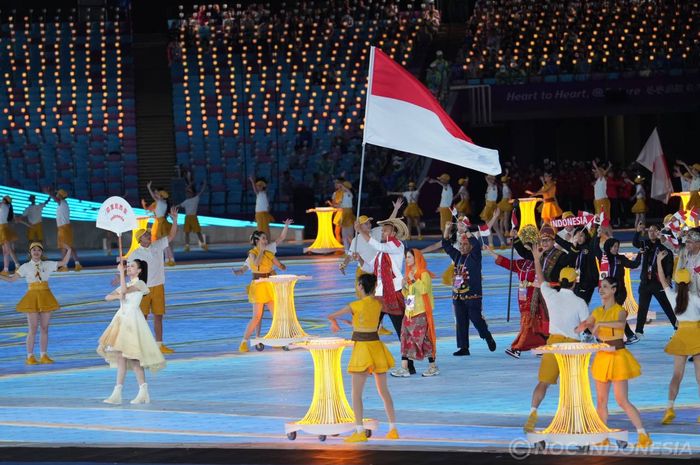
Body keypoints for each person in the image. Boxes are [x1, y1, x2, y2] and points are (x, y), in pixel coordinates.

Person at [575, 277, 652, 448]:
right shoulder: (597, 311)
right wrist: (581, 325)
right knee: (601, 401)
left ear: (614, 290)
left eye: (605, 287)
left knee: (622, 400)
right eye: (600, 287)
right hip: (602, 356)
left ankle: (643, 435)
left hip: (617, 357)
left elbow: (619, 325)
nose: (601, 290)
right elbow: (587, 323)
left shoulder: (620, 310)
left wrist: (600, 323)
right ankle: (602, 435)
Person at [523, 246, 589, 433]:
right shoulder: (579, 302)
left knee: (543, 383)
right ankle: (573, 423)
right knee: (572, 387)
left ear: (559, 281)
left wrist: (537, 259)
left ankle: (533, 413)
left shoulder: (551, 295)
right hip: (572, 347)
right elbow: (585, 325)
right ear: (575, 283)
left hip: (553, 344)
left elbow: (541, 279)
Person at [328, 273, 399, 442]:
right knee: (384, 392)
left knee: (356, 393)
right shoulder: (378, 304)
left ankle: (359, 431)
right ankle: (393, 429)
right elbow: (369, 321)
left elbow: (331, 315)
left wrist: (335, 323)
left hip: (362, 350)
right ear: (374, 287)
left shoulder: (354, 305)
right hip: (376, 347)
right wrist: (353, 324)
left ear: (360, 286)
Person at [98, 258, 166, 405]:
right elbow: (107, 297)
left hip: (132, 321)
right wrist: (118, 296)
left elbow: (124, 290)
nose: (128, 268)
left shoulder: (140, 284)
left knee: (134, 359)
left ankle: (143, 391)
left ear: (139, 270)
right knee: (121, 357)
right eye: (127, 266)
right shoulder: (128, 283)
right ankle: (117, 392)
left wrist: (120, 274)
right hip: (121, 320)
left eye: (132, 266)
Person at [355, 216, 412, 371]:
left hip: (393, 293)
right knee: (370, 330)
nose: (382, 232)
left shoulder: (396, 245)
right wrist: (359, 258)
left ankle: (408, 365)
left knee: (401, 331)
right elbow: (369, 267)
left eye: (385, 229)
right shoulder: (382, 251)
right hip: (379, 295)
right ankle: (371, 363)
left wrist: (360, 230)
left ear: (393, 232)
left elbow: (374, 244)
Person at [0, 242, 71, 364]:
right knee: (32, 328)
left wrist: (69, 249)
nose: (36, 252)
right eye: (34, 250)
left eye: (39, 250)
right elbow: (12, 279)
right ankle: (30, 356)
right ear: (30, 253)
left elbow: (64, 262)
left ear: (42, 252)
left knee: (44, 328)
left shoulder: (48, 264)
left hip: (45, 296)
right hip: (32, 297)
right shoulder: (25, 267)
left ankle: (43, 355)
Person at [656, 251, 700, 425]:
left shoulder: (673, 297)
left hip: (681, 335)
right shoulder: (696, 298)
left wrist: (659, 261)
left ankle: (669, 409)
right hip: (696, 335)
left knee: (676, 375)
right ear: (689, 281)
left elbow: (662, 279)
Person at [129, 206, 180, 354]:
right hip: (143, 289)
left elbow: (171, 236)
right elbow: (130, 272)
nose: (149, 235)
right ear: (139, 239)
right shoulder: (135, 254)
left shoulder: (157, 245)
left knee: (158, 316)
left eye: (149, 233)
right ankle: (141, 346)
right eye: (146, 235)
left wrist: (175, 220)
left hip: (158, 286)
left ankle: (159, 345)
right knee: (142, 318)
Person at [441, 221, 497, 355]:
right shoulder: (457, 256)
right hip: (458, 295)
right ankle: (463, 347)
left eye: (465, 244)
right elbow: (446, 245)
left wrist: (465, 230)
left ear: (470, 246)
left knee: (476, 319)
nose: (462, 246)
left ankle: (487, 336)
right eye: (460, 244)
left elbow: (477, 244)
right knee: (460, 322)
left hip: (473, 295)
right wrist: (447, 229)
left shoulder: (475, 256)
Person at [486, 226, 542, 359]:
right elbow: (507, 263)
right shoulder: (521, 264)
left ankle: (517, 348)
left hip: (535, 299)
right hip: (522, 299)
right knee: (531, 325)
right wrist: (492, 253)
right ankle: (540, 347)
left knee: (528, 324)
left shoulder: (540, 263)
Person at [233, 229, 288, 352]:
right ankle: (244, 342)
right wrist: (239, 271)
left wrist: (281, 266)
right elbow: (256, 263)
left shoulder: (269, 251)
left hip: (270, 285)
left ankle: (276, 339)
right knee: (257, 316)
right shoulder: (252, 253)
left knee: (277, 315)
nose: (266, 240)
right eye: (263, 238)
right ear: (257, 240)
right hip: (258, 287)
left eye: (266, 238)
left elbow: (279, 264)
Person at [391, 249, 439, 377]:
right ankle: (404, 368)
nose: (406, 260)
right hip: (409, 312)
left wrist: (412, 281)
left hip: (421, 312)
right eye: (406, 257)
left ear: (416, 258)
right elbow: (408, 295)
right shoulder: (409, 273)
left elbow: (424, 290)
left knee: (423, 339)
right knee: (405, 337)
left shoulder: (424, 274)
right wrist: (404, 287)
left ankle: (433, 366)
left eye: (409, 257)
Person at [632, 223, 676, 338]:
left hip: (658, 282)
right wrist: (637, 232)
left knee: (666, 306)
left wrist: (668, 276)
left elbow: (669, 261)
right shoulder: (644, 244)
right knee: (642, 307)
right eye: (649, 230)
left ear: (659, 232)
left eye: (654, 230)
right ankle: (639, 331)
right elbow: (635, 243)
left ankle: (677, 327)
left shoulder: (663, 246)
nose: (651, 232)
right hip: (645, 282)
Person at [46, 189, 82, 271]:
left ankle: (64, 266)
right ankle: (77, 264)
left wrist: (48, 193)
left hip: (63, 228)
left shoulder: (62, 203)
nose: (56, 195)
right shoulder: (63, 203)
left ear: (61, 196)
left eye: (58, 194)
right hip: (64, 228)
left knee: (63, 247)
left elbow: (56, 199)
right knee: (70, 247)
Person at [144, 182, 176, 266]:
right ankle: (169, 259)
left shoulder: (160, 201)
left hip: (161, 223)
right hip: (161, 222)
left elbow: (153, 197)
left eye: (157, 194)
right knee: (164, 243)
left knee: (164, 243)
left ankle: (169, 259)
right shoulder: (163, 202)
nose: (155, 195)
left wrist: (149, 188)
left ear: (161, 196)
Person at [178, 181, 207, 252]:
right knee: (186, 232)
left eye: (189, 192)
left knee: (198, 231)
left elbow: (202, 192)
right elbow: (178, 206)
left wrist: (204, 185)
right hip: (187, 218)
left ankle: (203, 244)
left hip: (193, 217)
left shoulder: (196, 198)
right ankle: (187, 246)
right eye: (187, 193)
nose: (187, 194)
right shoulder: (185, 201)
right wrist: (172, 208)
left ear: (193, 193)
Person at [480, 175, 505, 248]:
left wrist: (490, 174)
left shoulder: (492, 185)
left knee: (488, 227)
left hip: (489, 207)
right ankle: (502, 243)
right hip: (492, 206)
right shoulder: (493, 186)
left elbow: (486, 178)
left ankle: (491, 244)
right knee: (496, 227)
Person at [0, 196, 20, 276]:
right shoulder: (7, 206)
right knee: (7, 251)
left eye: (2, 199)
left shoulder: (3, 206)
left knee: (7, 250)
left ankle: (12, 267)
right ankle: (8, 268)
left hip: (3, 229)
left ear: (4, 200)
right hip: (3, 228)